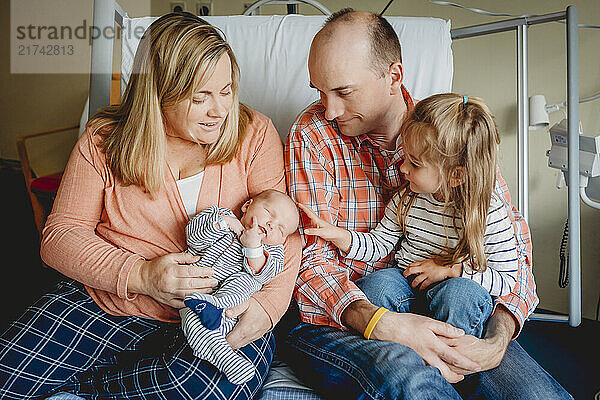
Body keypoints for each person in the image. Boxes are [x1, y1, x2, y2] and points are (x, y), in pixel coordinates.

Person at [0, 12, 300, 399]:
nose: (219, 110)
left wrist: (269, 305)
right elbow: (60, 236)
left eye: (226, 91)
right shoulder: (104, 140)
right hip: (111, 299)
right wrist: (141, 275)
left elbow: (285, 232)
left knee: (206, 386)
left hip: (219, 312)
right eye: (200, 97)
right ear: (158, 92)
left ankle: (81, 388)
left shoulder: (254, 134)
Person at [280, 8, 572, 400]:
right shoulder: (313, 135)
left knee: (536, 396)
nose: (329, 110)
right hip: (347, 316)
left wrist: (496, 339)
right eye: (319, 91)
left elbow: (512, 257)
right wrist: (385, 325)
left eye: (343, 92)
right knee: (414, 383)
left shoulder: (452, 134)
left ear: (393, 76)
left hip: (449, 302)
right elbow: (311, 264)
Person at [298, 93, 519, 342]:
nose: (402, 169)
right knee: (375, 287)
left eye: (414, 163)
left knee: (460, 296)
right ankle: (402, 350)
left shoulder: (489, 212)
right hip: (408, 284)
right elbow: (380, 243)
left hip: (455, 290)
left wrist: (452, 271)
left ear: (456, 176)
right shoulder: (408, 198)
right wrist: (339, 236)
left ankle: (449, 356)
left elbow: (507, 280)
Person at [182, 189, 299, 384]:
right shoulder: (220, 216)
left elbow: (262, 274)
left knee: (246, 282)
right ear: (247, 206)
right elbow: (193, 237)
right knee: (192, 319)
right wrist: (224, 223)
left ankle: (216, 312)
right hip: (193, 292)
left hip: (228, 309)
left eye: (281, 229)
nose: (271, 225)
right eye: (270, 214)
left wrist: (252, 247)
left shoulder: (273, 252)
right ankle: (226, 358)